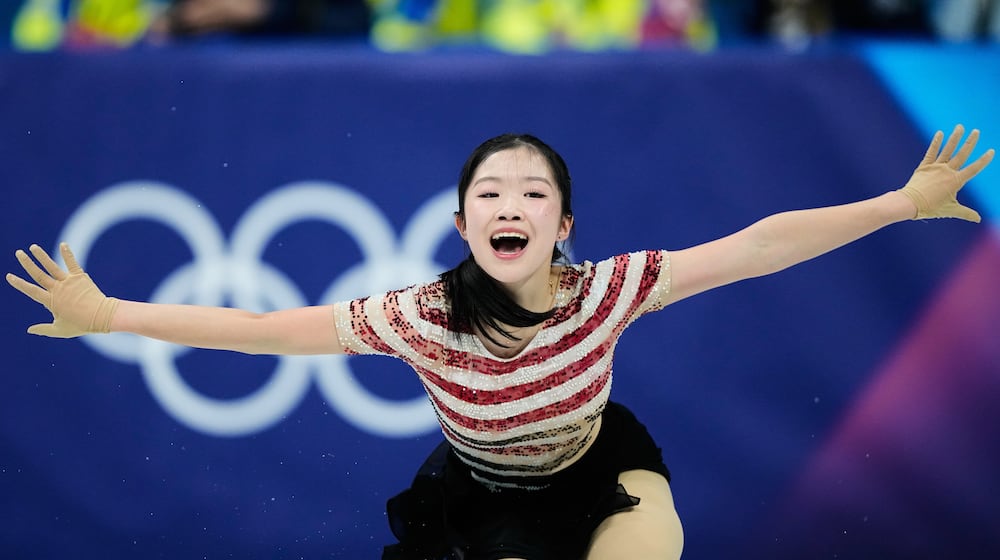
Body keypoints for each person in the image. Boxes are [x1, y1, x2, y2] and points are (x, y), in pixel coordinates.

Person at [6, 125, 994, 560]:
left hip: (601, 459)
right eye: (491, 192)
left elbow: (754, 247)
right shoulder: (417, 317)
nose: (510, 203)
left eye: (533, 193)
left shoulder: (611, 288)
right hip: (478, 491)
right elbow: (265, 328)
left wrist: (901, 202)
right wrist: (112, 313)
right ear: (461, 221)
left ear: (563, 224)